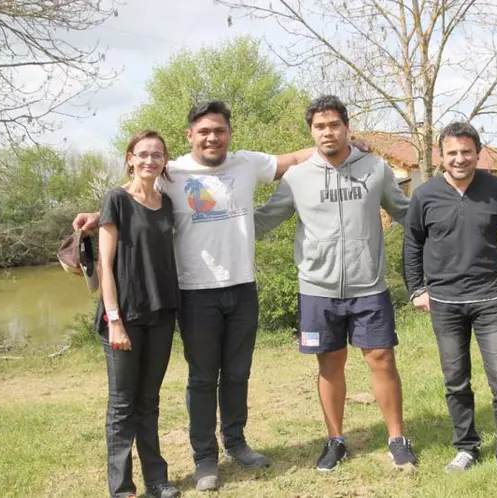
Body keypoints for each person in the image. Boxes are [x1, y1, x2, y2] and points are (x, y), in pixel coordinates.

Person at [75, 100, 317, 492]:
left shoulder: (246, 163)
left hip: (242, 288)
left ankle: (236, 443)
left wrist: (344, 142)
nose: (212, 137)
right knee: (203, 378)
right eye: (204, 131)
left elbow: (293, 157)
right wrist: (97, 214)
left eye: (219, 130)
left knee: (238, 373)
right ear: (190, 137)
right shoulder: (173, 172)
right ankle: (205, 458)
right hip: (194, 293)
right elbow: (135, 193)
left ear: (229, 134)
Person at [254, 95, 417, 472]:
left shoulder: (375, 169)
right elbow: (264, 220)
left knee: (382, 359)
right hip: (317, 289)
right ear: (311, 131)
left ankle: (397, 439)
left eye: (334, 125)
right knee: (329, 364)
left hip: (369, 286)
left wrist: (452, 227)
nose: (327, 132)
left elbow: (407, 213)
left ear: (346, 127)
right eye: (319, 126)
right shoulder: (296, 177)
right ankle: (335, 440)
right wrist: (214, 219)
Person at [402, 121, 497, 490]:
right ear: (441, 156)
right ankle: (466, 446)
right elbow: (412, 244)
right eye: (452, 152)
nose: (460, 158)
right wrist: (416, 289)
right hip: (444, 303)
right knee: (456, 381)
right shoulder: (425, 195)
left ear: (478, 152)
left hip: (491, 301)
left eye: (466, 151)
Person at [96, 130, 181, 498]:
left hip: (161, 314)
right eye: (143, 154)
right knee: (122, 404)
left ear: (164, 162)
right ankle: (121, 487)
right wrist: (114, 320)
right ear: (130, 157)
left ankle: (157, 480)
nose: (150, 160)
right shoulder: (116, 199)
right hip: (124, 317)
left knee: (149, 401)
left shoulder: (167, 204)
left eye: (157, 155)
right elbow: (105, 265)